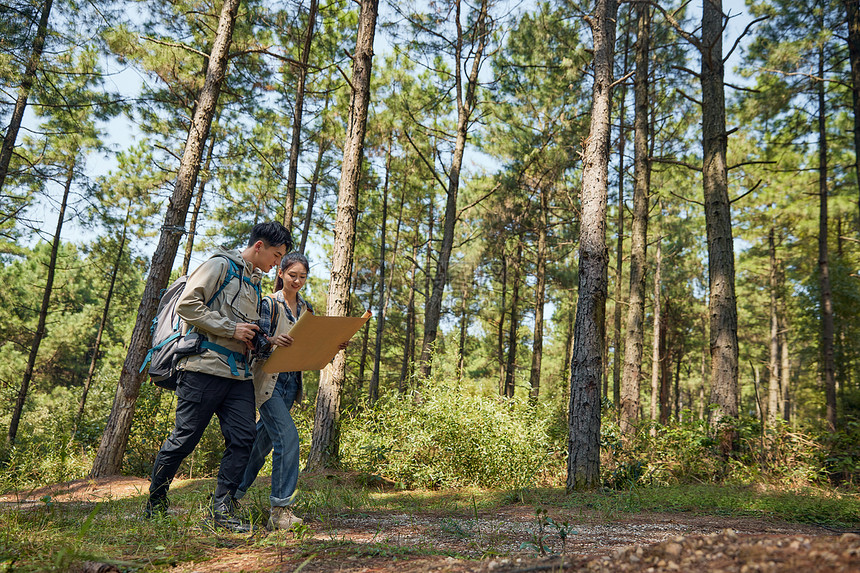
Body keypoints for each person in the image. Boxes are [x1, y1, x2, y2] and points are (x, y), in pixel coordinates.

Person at [144, 221, 291, 533]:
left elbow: (244, 329)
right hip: (202, 368)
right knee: (185, 439)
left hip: (238, 375)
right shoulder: (219, 265)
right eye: (276, 255)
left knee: (243, 439)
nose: (277, 264)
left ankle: (222, 509)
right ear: (259, 246)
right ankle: (155, 502)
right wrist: (231, 329)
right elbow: (187, 305)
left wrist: (262, 340)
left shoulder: (254, 284)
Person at [234, 252, 345, 530]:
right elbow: (255, 341)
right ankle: (280, 510)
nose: (297, 281)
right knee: (288, 438)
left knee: (262, 444)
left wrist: (333, 345)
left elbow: (311, 345)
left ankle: (229, 496)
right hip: (268, 382)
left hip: (291, 384)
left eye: (303, 277)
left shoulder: (306, 308)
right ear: (280, 273)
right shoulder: (269, 303)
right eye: (292, 275)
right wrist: (272, 341)